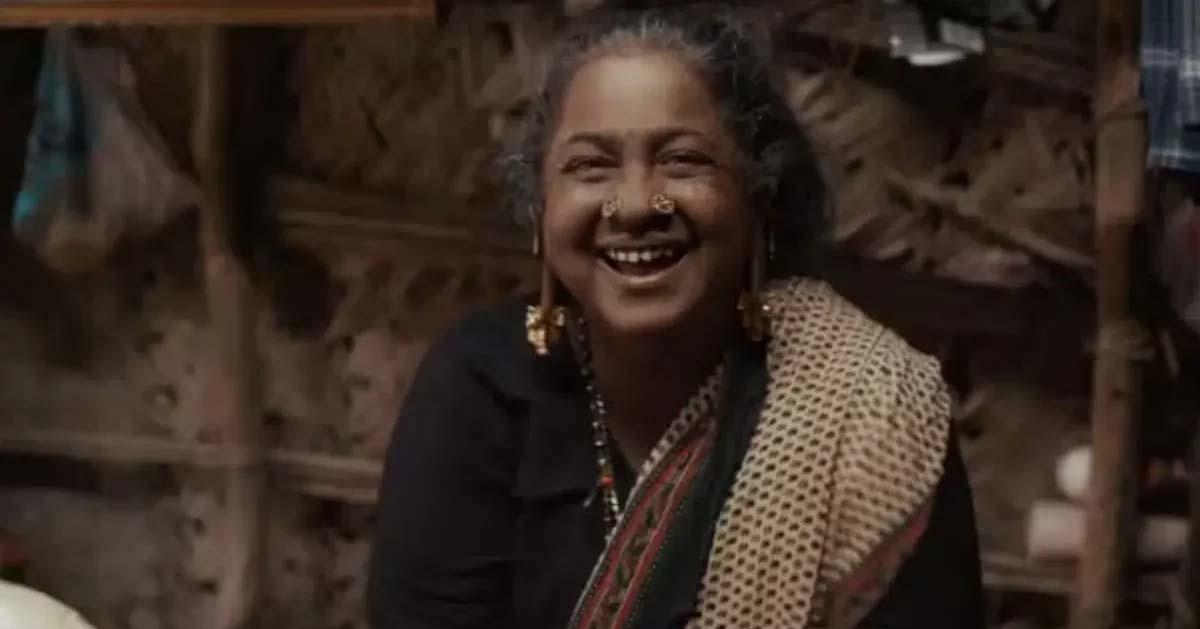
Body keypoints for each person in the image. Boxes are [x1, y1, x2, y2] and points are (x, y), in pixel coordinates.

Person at [368, 7, 984, 629]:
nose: (637, 203)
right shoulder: (477, 389)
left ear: (758, 200)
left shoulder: (872, 414)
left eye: (683, 160)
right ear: (541, 210)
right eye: (591, 166)